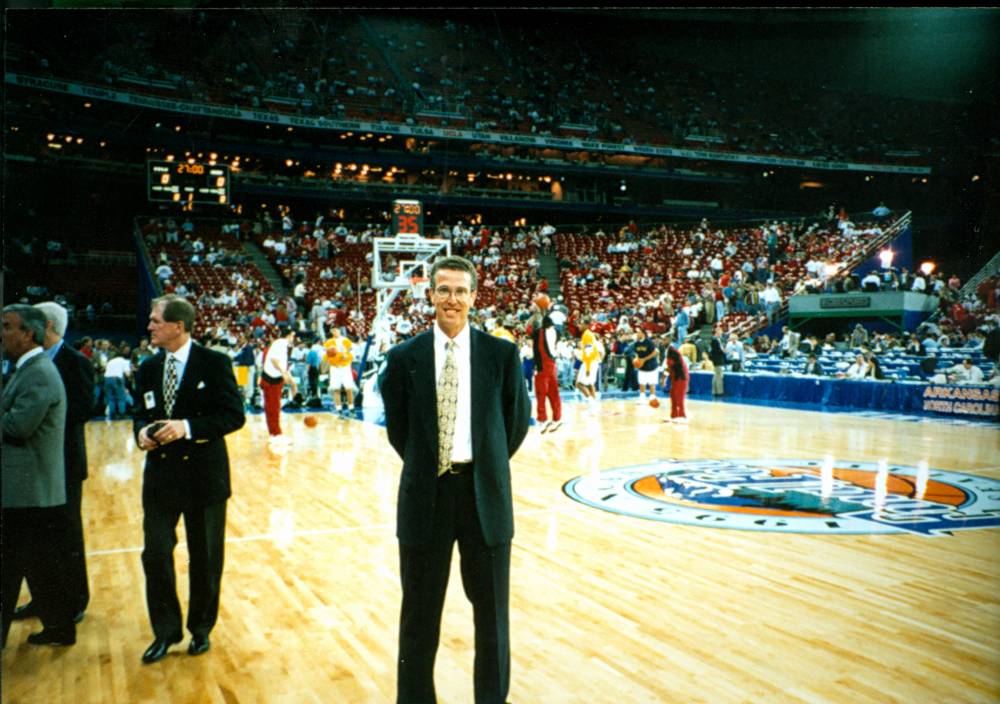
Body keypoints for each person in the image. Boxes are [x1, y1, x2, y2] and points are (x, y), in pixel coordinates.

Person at [379, 255, 530, 704]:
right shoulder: (403, 358)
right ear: (430, 296)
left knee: (493, 621)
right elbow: (399, 430)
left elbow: (514, 424)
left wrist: (481, 466)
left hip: (484, 498)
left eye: (461, 291)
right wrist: (432, 465)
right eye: (443, 290)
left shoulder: (501, 355)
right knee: (419, 619)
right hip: (426, 496)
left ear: (474, 297)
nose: (452, 299)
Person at [133, 295, 245, 664]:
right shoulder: (148, 367)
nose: (149, 326)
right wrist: (141, 435)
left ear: (177, 326)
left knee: (206, 558)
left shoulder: (214, 363)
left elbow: (233, 416)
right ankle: (165, 632)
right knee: (156, 554)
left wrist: (187, 427)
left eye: (155, 321)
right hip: (161, 479)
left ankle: (201, 629)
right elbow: (139, 414)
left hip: (204, 479)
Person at [11, 302, 96, 628]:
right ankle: (43, 598)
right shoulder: (25, 362)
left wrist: (39, 415)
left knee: (67, 536)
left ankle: (74, 600)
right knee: (35, 537)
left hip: (64, 465)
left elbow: (84, 409)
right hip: (30, 464)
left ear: (45, 325)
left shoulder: (75, 363)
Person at [2, 305, 76, 648]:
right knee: (38, 564)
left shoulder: (39, 372)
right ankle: (60, 628)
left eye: (7, 327)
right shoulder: (30, 369)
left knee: (17, 566)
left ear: (27, 334)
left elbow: (19, 425)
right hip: (28, 488)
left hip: (28, 489)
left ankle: (60, 627)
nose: (3, 333)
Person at [527, 300, 563, 433]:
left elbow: (528, 328)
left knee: (540, 393)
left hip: (542, 365)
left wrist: (537, 310)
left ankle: (542, 420)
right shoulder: (556, 332)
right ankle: (557, 418)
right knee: (554, 393)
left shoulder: (539, 333)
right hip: (552, 365)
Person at [261, 327, 297, 446]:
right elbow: (274, 360)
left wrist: (288, 377)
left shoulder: (282, 344)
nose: (294, 338)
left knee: (271, 407)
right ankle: (276, 434)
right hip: (272, 379)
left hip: (272, 378)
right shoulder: (281, 343)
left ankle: (273, 434)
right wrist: (283, 372)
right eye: (293, 336)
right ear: (289, 335)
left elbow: (280, 362)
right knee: (273, 407)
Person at [325, 327, 357, 416]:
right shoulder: (328, 342)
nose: (335, 331)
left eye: (336, 329)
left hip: (345, 367)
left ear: (339, 330)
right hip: (335, 368)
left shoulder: (346, 341)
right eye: (333, 330)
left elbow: (352, 352)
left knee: (349, 388)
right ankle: (339, 410)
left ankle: (351, 408)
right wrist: (331, 356)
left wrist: (346, 356)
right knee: (336, 389)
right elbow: (327, 356)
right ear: (331, 332)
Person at [575, 327, 604, 413]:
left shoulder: (587, 336)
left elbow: (589, 353)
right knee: (591, 384)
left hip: (590, 362)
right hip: (594, 362)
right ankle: (594, 405)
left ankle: (592, 403)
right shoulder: (591, 339)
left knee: (579, 384)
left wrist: (587, 367)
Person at [632, 327, 659, 403]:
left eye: (638, 332)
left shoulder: (649, 342)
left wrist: (644, 359)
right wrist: (636, 359)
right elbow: (637, 353)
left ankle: (652, 397)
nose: (637, 334)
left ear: (642, 334)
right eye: (636, 332)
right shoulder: (636, 343)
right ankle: (642, 397)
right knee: (641, 382)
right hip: (642, 366)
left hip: (651, 366)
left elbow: (655, 353)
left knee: (651, 383)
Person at [663, 343, 689, 424]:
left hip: (681, 379)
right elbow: (668, 370)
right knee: (673, 395)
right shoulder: (676, 358)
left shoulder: (672, 360)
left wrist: (663, 379)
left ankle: (682, 416)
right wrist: (664, 379)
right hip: (675, 379)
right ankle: (674, 415)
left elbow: (668, 369)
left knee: (679, 397)